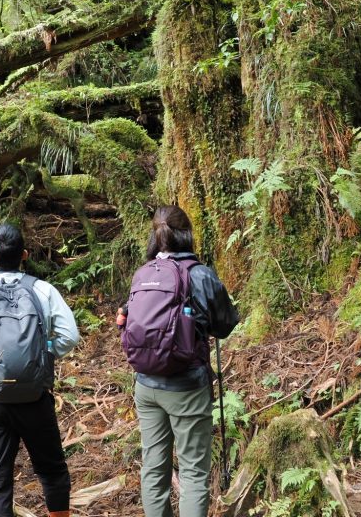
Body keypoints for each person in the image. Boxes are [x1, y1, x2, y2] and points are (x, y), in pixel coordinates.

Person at [125, 206, 239, 517]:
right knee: (193, 474)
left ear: (156, 237)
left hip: (146, 386)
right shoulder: (199, 274)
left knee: (153, 468)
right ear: (187, 234)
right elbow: (226, 324)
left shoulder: (143, 274)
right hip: (187, 387)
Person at [0, 223, 81, 517]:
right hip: (35, 399)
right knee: (52, 471)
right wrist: (44, 355)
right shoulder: (44, 291)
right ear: (25, 255)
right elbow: (70, 336)